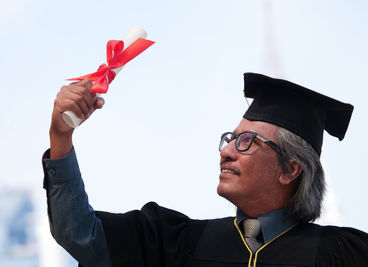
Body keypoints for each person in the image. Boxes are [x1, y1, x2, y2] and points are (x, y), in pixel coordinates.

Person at [42, 73, 368, 267]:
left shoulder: (341, 255)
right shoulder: (179, 243)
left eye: (245, 142)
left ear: (290, 169)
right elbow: (81, 235)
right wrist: (61, 136)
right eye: (229, 139)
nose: (225, 152)